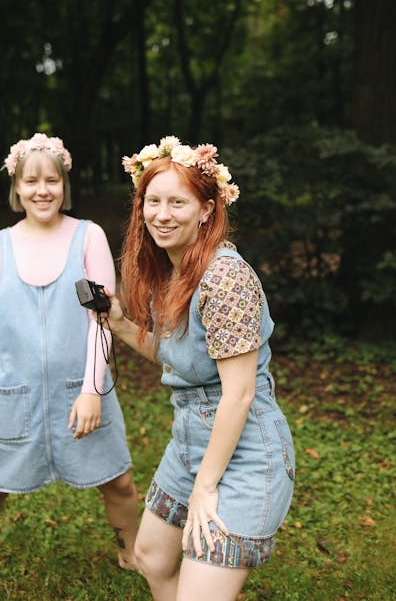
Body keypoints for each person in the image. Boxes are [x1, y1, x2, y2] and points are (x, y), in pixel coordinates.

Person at [0, 132, 139, 601]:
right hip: (11, 398)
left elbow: (102, 319)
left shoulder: (88, 237)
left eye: (52, 180)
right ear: (16, 187)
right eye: (31, 181)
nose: (43, 190)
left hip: (79, 390)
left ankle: (131, 551)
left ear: (65, 184)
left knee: (118, 484)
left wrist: (91, 390)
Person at [101, 136, 295, 601]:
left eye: (177, 202)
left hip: (246, 452)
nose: (162, 214)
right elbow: (180, 360)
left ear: (207, 209)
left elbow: (239, 393)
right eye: (153, 202)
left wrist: (205, 488)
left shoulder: (225, 277)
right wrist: (120, 324)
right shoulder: (172, 271)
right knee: (151, 555)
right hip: (190, 441)